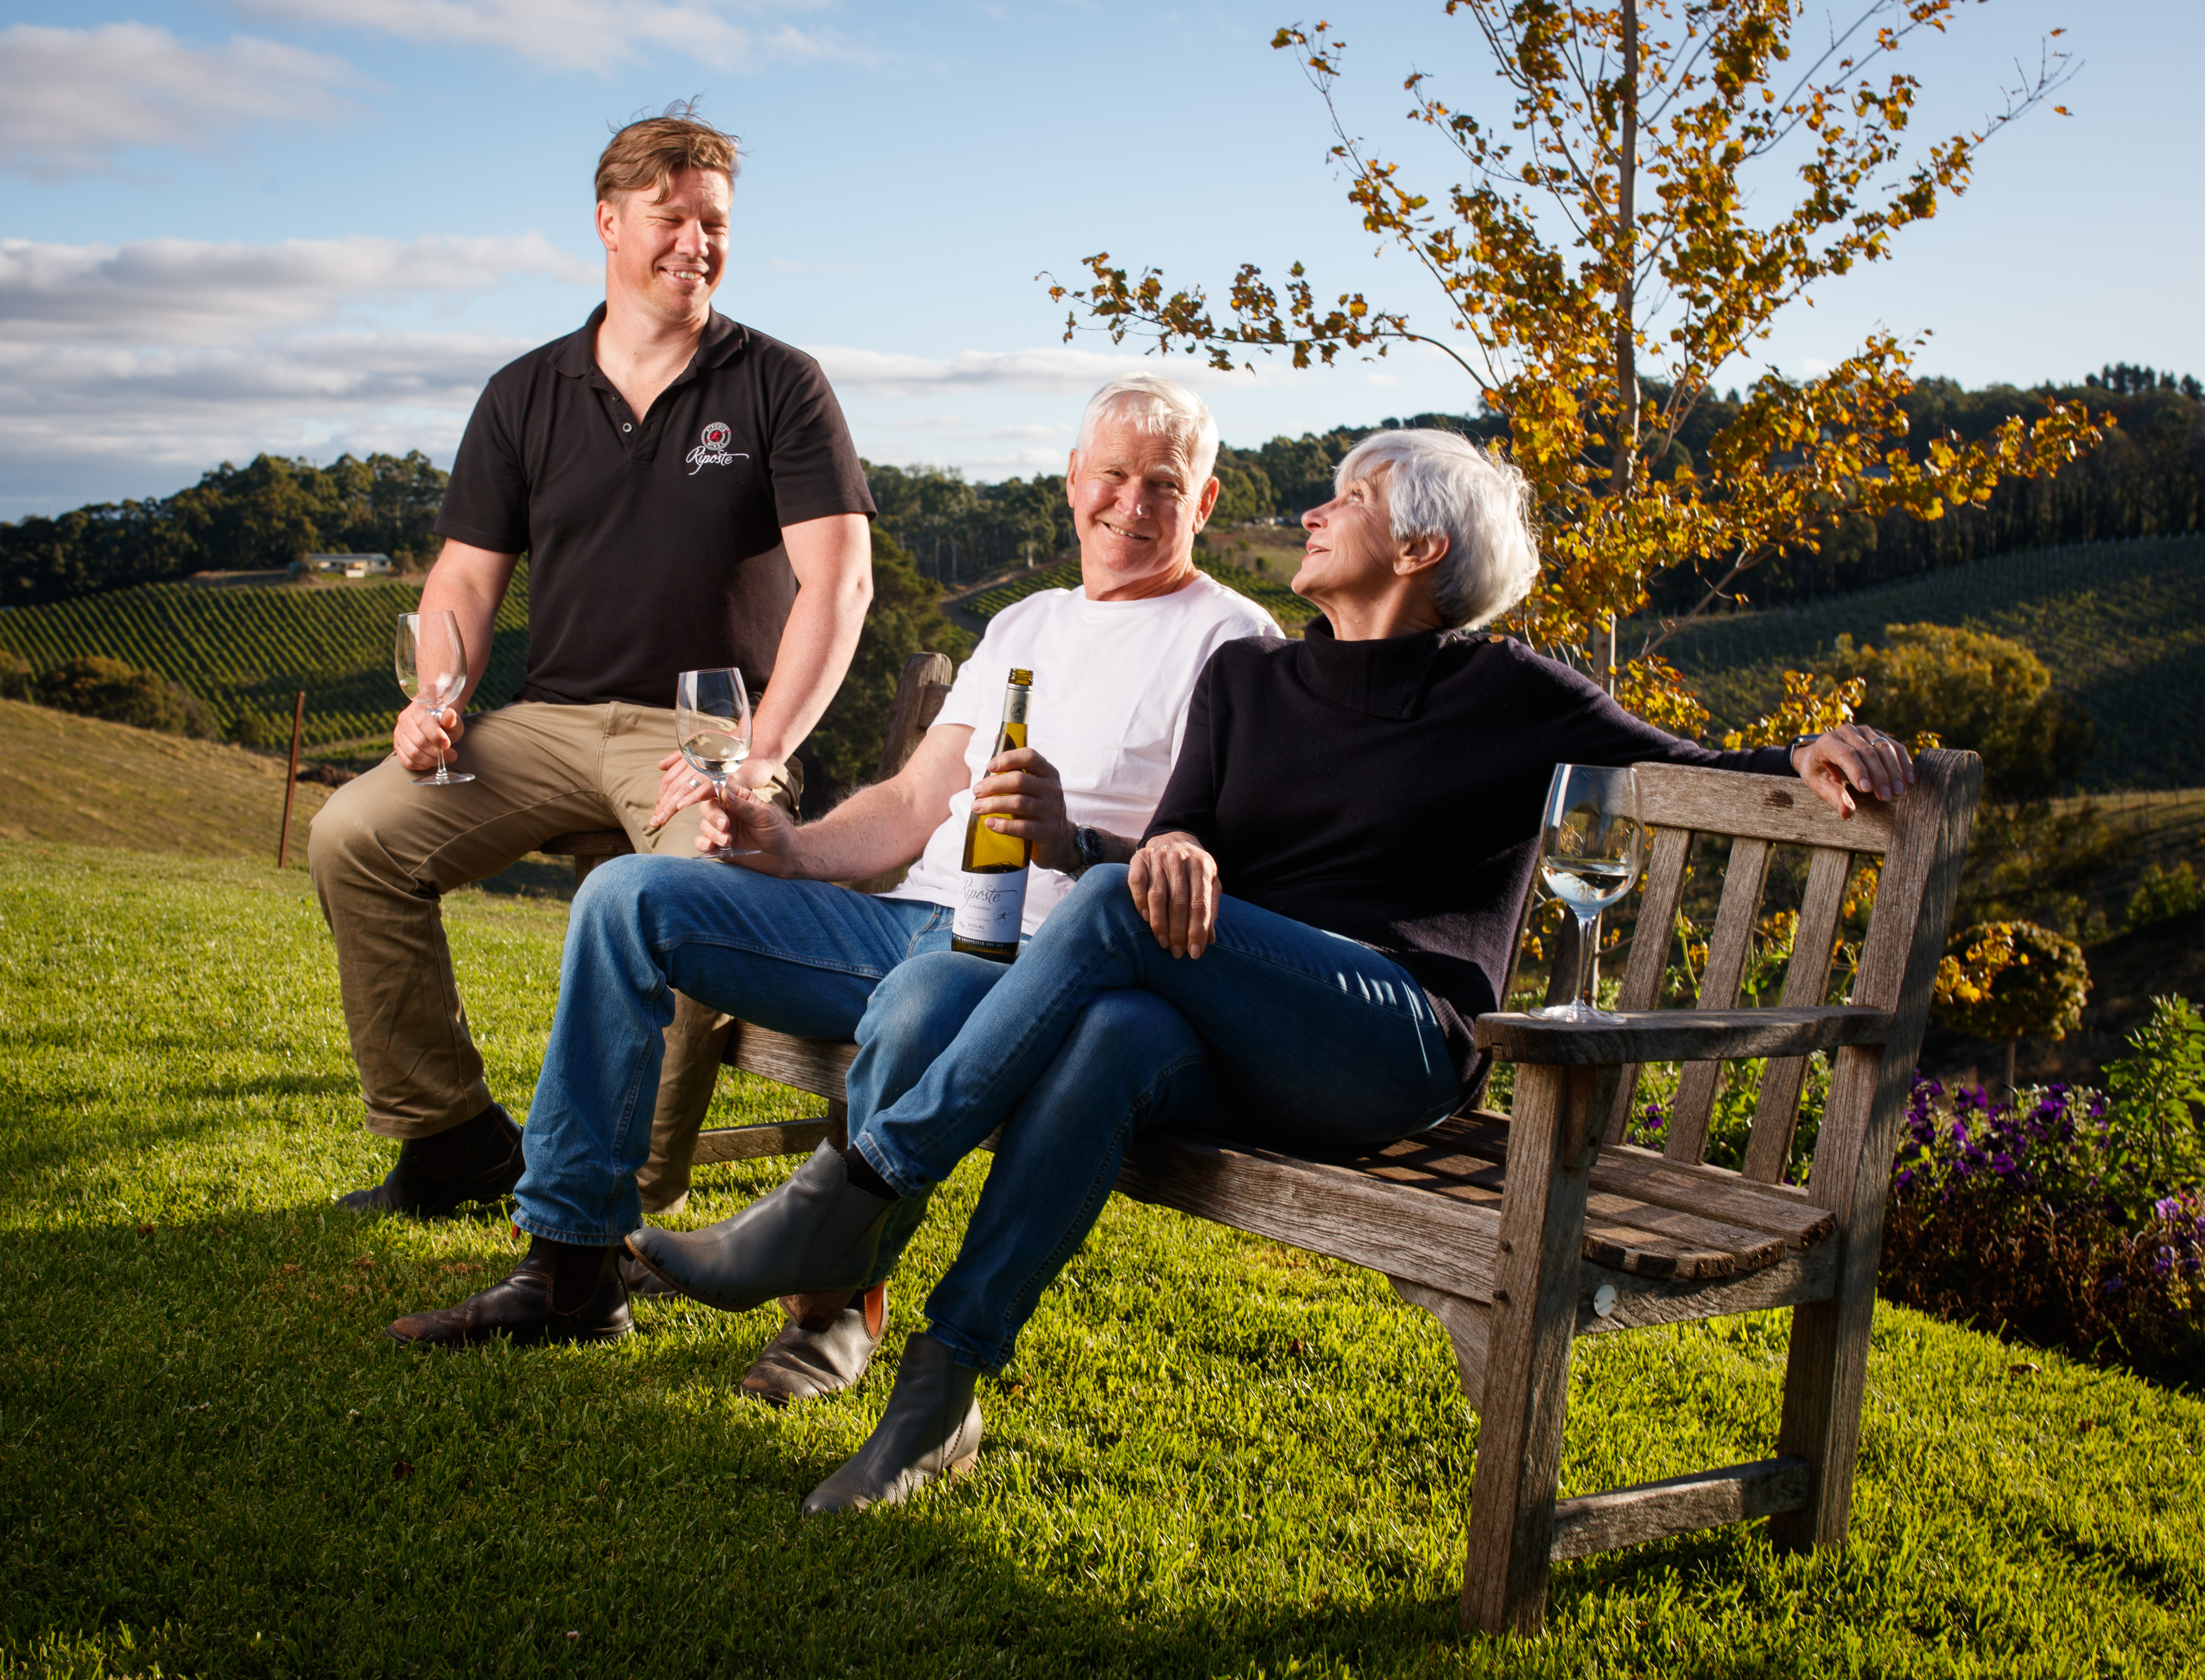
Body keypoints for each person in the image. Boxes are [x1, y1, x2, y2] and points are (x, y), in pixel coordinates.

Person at [620, 426, 1923, 1514]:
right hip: (1227, 1021)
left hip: (1389, 1039)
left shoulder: (1511, 694)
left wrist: (1809, 751)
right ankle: (938, 1395)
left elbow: (1684, 762)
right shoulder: (1247, 678)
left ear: (1420, 550)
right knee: (1114, 1034)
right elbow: (1180, 844)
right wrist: (1147, 843)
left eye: (1347, 496)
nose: (1311, 508)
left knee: (1121, 938)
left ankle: (855, 1188)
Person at [384, 374, 1285, 1399]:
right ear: (1071, 481)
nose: (1130, 503)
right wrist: (787, 843)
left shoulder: (1237, 642)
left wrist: (1077, 838)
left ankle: (830, 1310)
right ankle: (569, 1268)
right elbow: (911, 801)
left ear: (1204, 502)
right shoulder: (1027, 625)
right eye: (1111, 475)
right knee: (629, 896)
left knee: (916, 1001)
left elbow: (1216, 858)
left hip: (1035, 962)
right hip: (905, 920)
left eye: (1162, 483)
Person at [310, 103, 875, 1221]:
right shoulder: (524, 393)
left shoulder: (779, 383)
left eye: (714, 222)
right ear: (608, 224)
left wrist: (755, 761)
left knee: (698, 890)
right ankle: (450, 1139)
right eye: (670, 218)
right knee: (351, 836)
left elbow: (840, 583)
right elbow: (462, 583)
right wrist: (435, 699)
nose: (695, 243)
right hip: (546, 725)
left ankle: (607, 1204)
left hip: (706, 732)